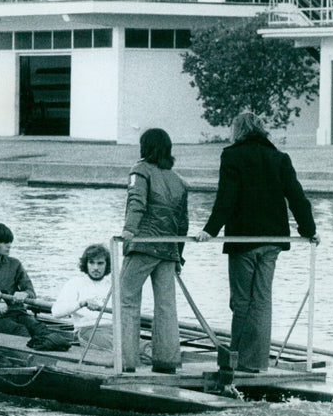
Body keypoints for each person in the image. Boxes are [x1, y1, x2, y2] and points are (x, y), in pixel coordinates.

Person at [195, 112, 319, 373]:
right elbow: (297, 196)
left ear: (237, 130)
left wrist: (210, 230)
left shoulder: (232, 155)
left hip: (244, 238)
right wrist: (309, 229)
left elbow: (226, 198)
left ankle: (236, 361)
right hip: (273, 240)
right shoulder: (279, 158)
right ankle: (256, 361)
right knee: (262, 299)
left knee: (241, 301)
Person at [119, 128, 189, 374]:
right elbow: (183, 222)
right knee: (166, 305)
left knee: (126, 299)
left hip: (144, 245)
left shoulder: (140, 171)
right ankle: (167, 360)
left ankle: (126, 362)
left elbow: (137, 202)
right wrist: (179, 254)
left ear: (144, 147)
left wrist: (129, 231)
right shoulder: (179, 180)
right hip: (169, 248)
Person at [0, 223, 51, 340]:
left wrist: (24, 293)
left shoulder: (15, 264)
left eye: (10, 242)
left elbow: (30, 291)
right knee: (20, 331)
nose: (9, 245)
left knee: (40, 329)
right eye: (5, 242)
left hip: (18, 312)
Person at [52, 244, 112, 336]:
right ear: (85, 264)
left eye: (100, 263)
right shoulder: (75, 283)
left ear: (107, 264)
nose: (96, 267)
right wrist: (81, 303)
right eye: (91, 263)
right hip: (87, 331)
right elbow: (56, 312)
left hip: (113, 331)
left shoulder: (114, 286)